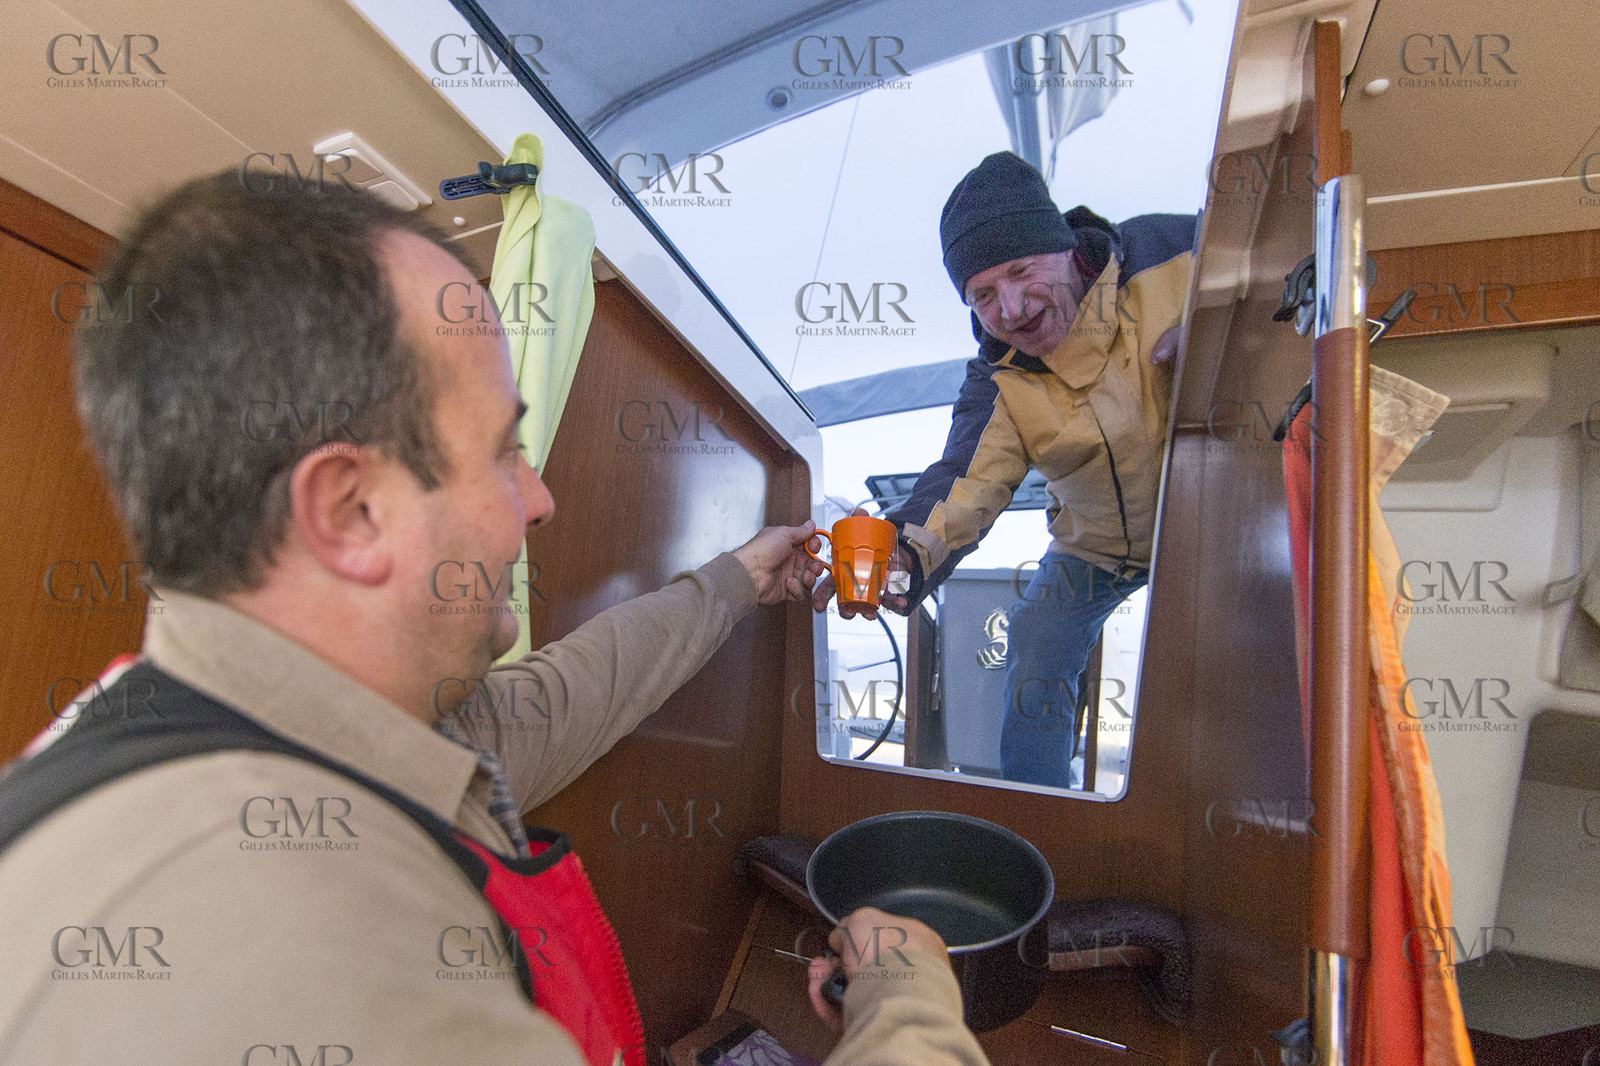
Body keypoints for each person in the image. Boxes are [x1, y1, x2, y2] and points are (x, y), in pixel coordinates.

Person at [0, 174, 988, 1066]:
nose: (542, 495)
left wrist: (735, 579)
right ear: (352, 511)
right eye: (504, 450)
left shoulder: (295, 723)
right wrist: (908, 999)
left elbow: (561, 697)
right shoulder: (312, 941)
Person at [813, 152, 1196, 789]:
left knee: (1222, 656)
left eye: (1022, 270)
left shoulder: (1173, 254)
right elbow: (965, 481)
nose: (1012, 308)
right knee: (1037, 641)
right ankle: (1040, 808)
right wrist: (902, 554)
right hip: (1094, 549)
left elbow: (1307, 253)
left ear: (1069, 250)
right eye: (983, 294)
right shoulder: (999, 376)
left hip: (1207, 532)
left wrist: (1232, 332)